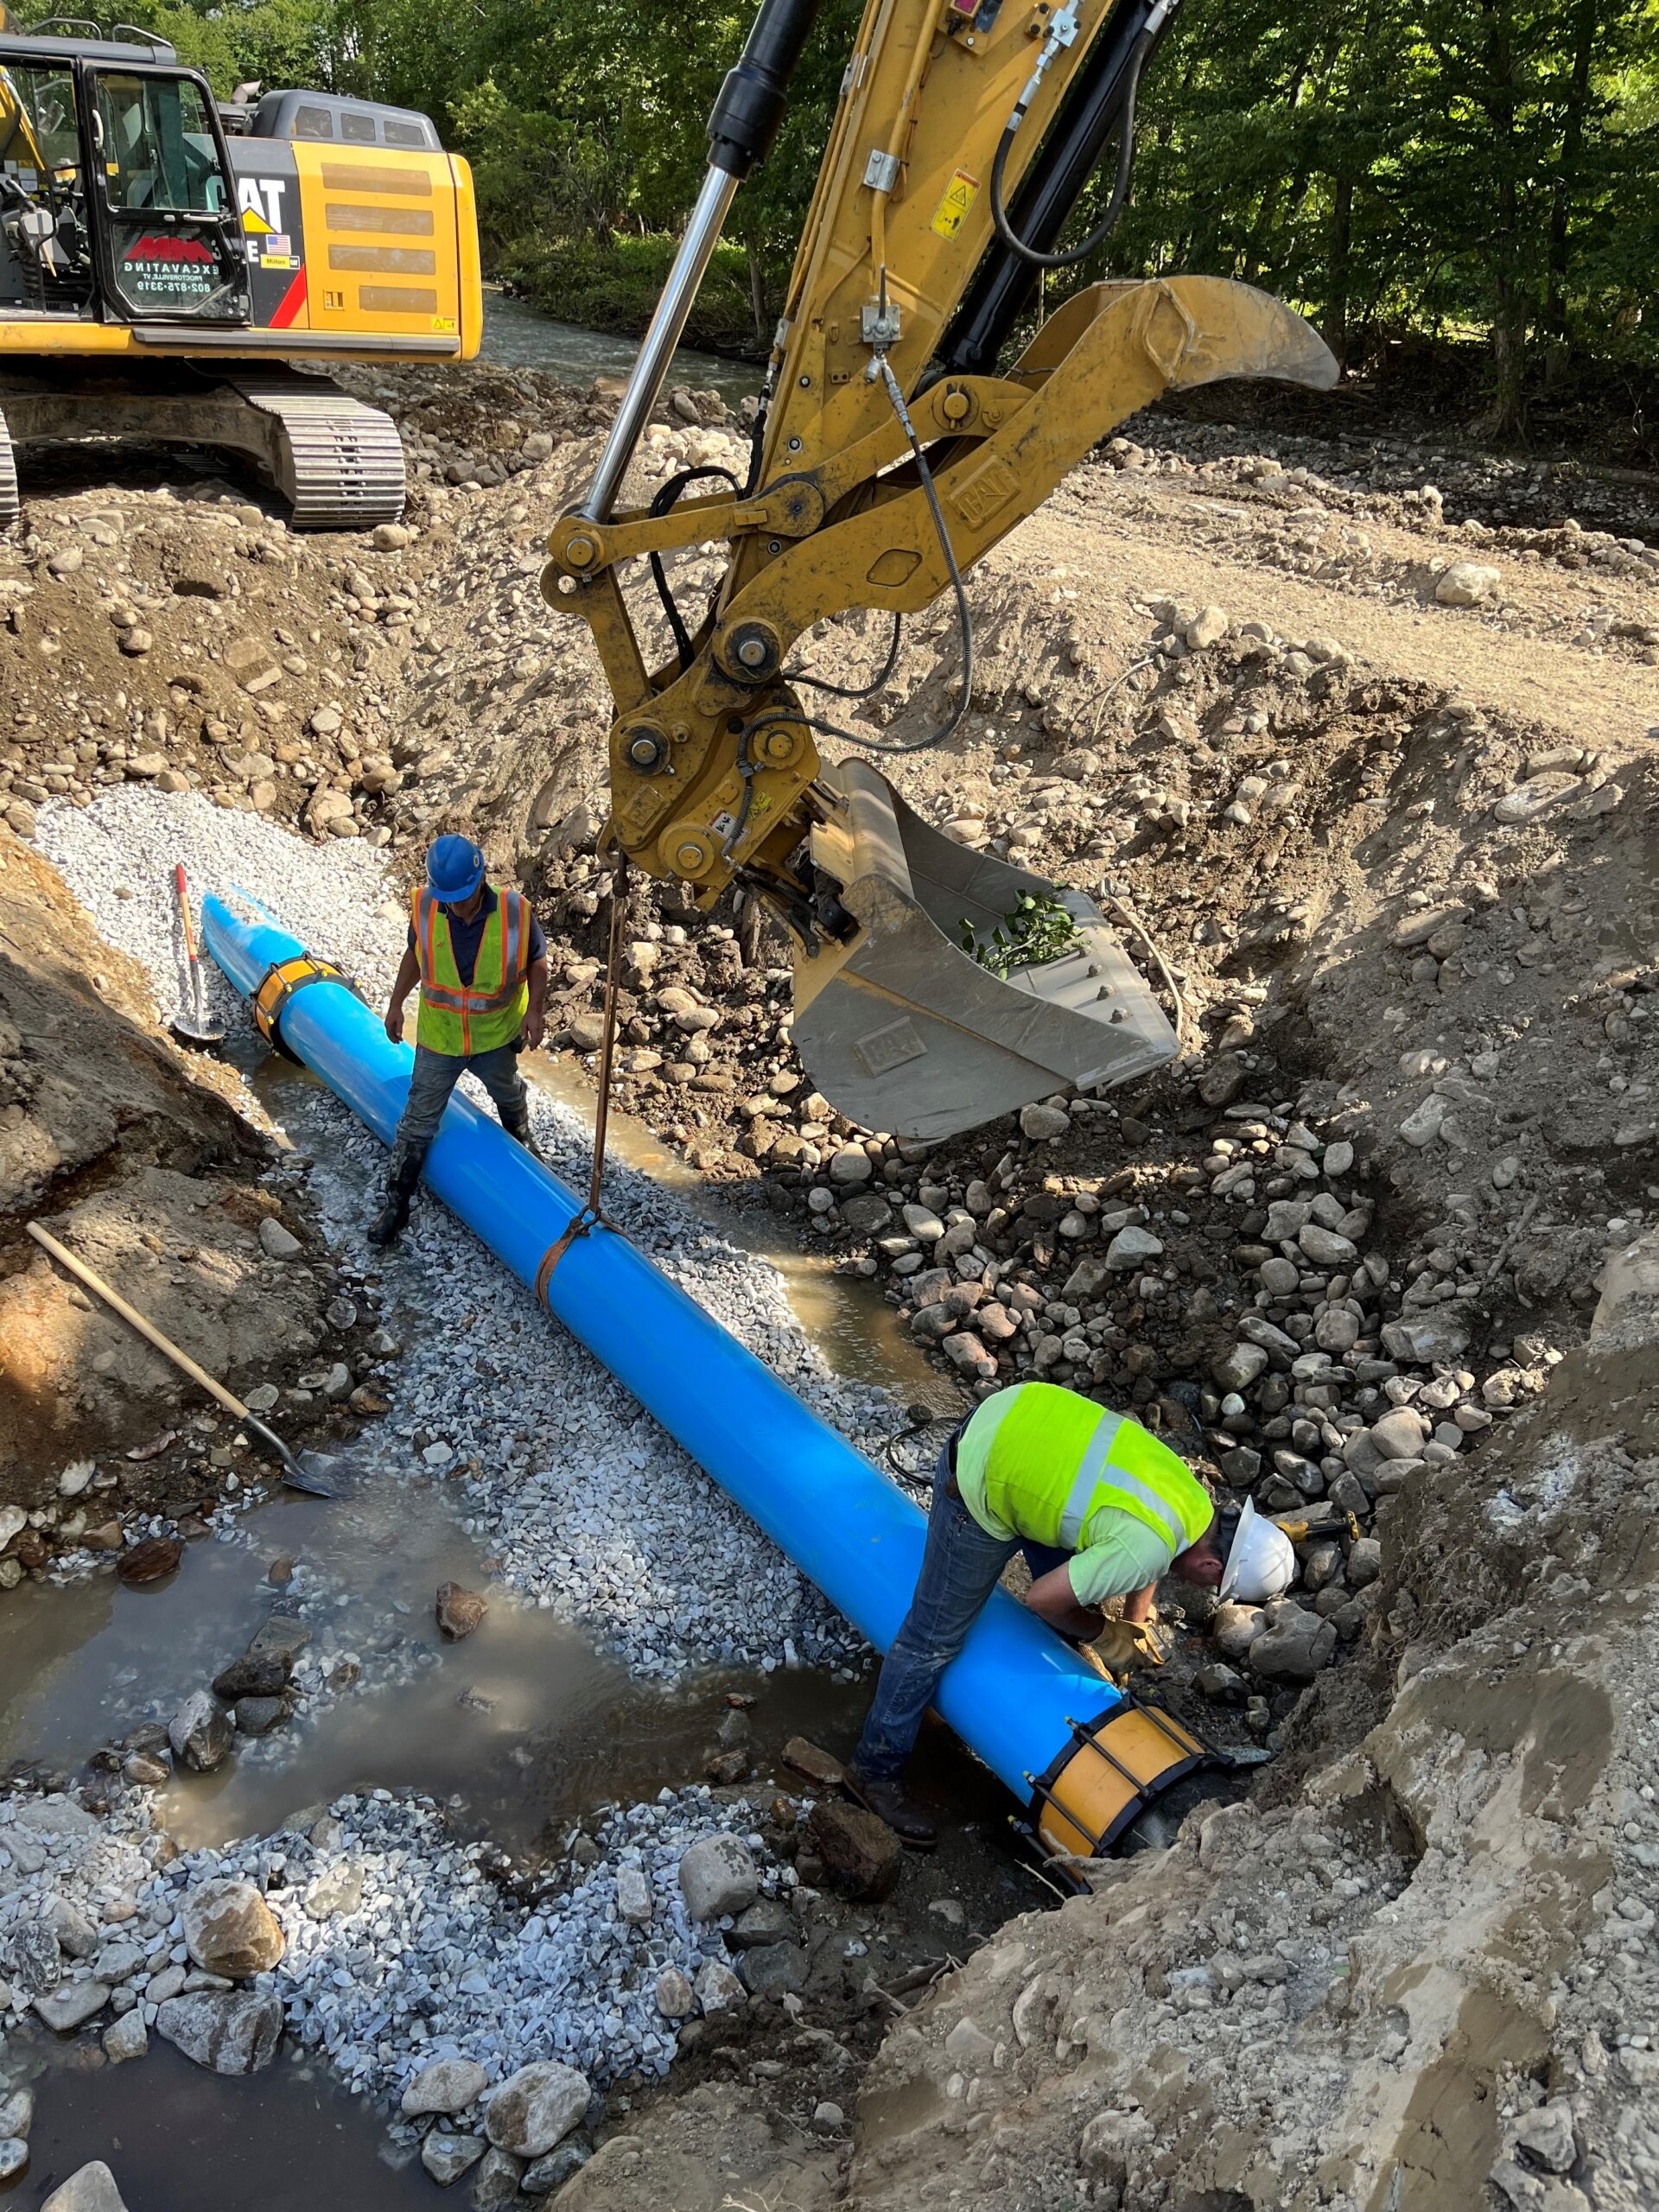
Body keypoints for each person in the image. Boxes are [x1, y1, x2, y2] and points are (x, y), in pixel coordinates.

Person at [847, 1379, 1224, 1847]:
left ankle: (1045, 1665)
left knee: (1076, 1596)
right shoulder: (1147, 1550)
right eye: (1215, 1585)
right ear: (1212, 1565)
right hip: (987, 1473)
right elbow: (1042, 1598)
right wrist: (1104, 1634)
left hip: (1024, 1421)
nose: (1209, 1591)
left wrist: (1135, 1623)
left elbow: (1153, 1551)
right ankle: (873, 1771)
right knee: (931, 1641)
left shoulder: (1195, 1504)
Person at [367, 836, 550, 1247]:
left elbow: (537, 960)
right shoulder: (426, 906)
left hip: (494, 1035)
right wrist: (395, 1004)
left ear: (481, 878)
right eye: (449, 899)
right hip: (442, 1038)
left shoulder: (515, 911)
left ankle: (522, 1140)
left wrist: (535, 1011)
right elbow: (415, 954)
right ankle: (397, 1203)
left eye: (463, 899)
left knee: (508, 1092)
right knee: (418, 1119)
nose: (457, 907)